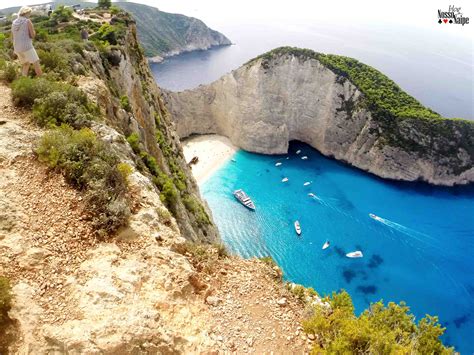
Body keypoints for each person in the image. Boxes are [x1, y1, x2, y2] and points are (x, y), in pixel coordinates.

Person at [11, 6, 42, 77]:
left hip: (17, 48)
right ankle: (43, 82)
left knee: (26, 64)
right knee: (36, 63)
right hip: (27, 47)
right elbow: (32, 35)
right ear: (26, 13)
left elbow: (12, 37)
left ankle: (23, 81)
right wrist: (34, 31)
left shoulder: (14, 23)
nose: (29, 15)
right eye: (29, 13)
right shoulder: (27, 21)